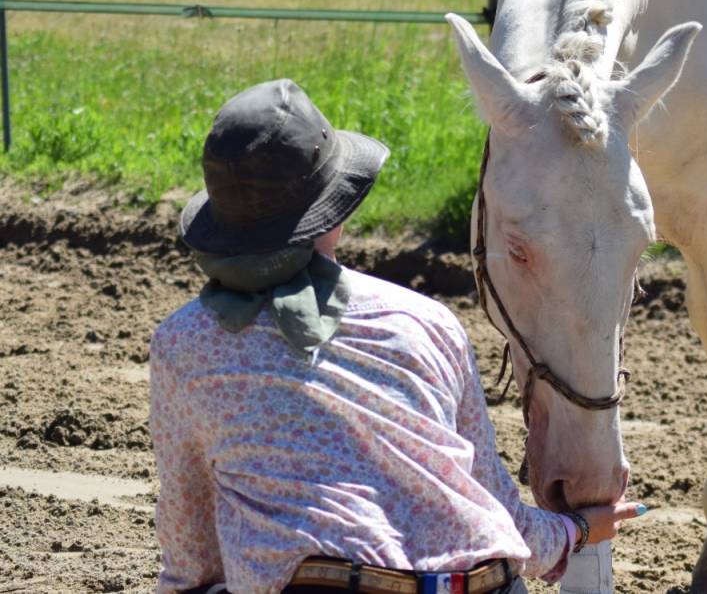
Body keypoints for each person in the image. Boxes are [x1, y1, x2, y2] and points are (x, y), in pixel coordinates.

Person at [149, 79, 641, 594]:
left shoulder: (186, 343)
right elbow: (493, 507)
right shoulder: (426, 321)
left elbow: (190, 540)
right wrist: (577, 531)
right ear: (335, 215)